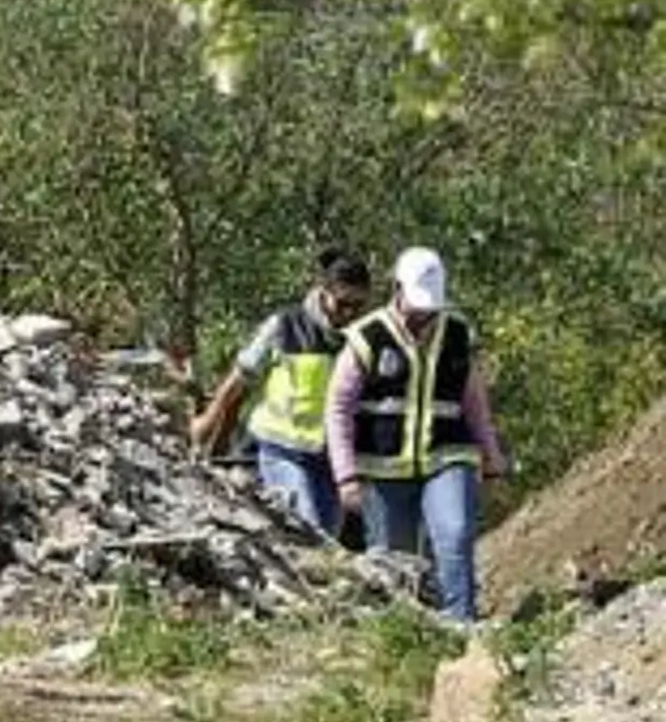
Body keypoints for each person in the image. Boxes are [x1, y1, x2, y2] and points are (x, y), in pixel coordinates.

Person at [324, 246, 511, 624]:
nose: (423, 314)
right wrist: (345, 476)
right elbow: (338, 409)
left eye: (431, 307)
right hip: (384, 468)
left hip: (447, 456)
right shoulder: (366, 338)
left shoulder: (457, 334)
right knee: (395, 561)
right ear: (397, 289)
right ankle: (404, 634)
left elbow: (474, 401)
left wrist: (492, 456)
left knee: (454, 536)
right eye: (417, 304)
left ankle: (462, 624)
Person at [190, 247, 373, 537]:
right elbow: (242, 376)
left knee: (328, 540)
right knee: (307, 530)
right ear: (323, 291)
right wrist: (210, 423)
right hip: (281, 450)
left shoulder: (363, 341)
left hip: (329, 461)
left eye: (358, 306)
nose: (349, 313)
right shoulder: (285, 326)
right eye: (343, 304)